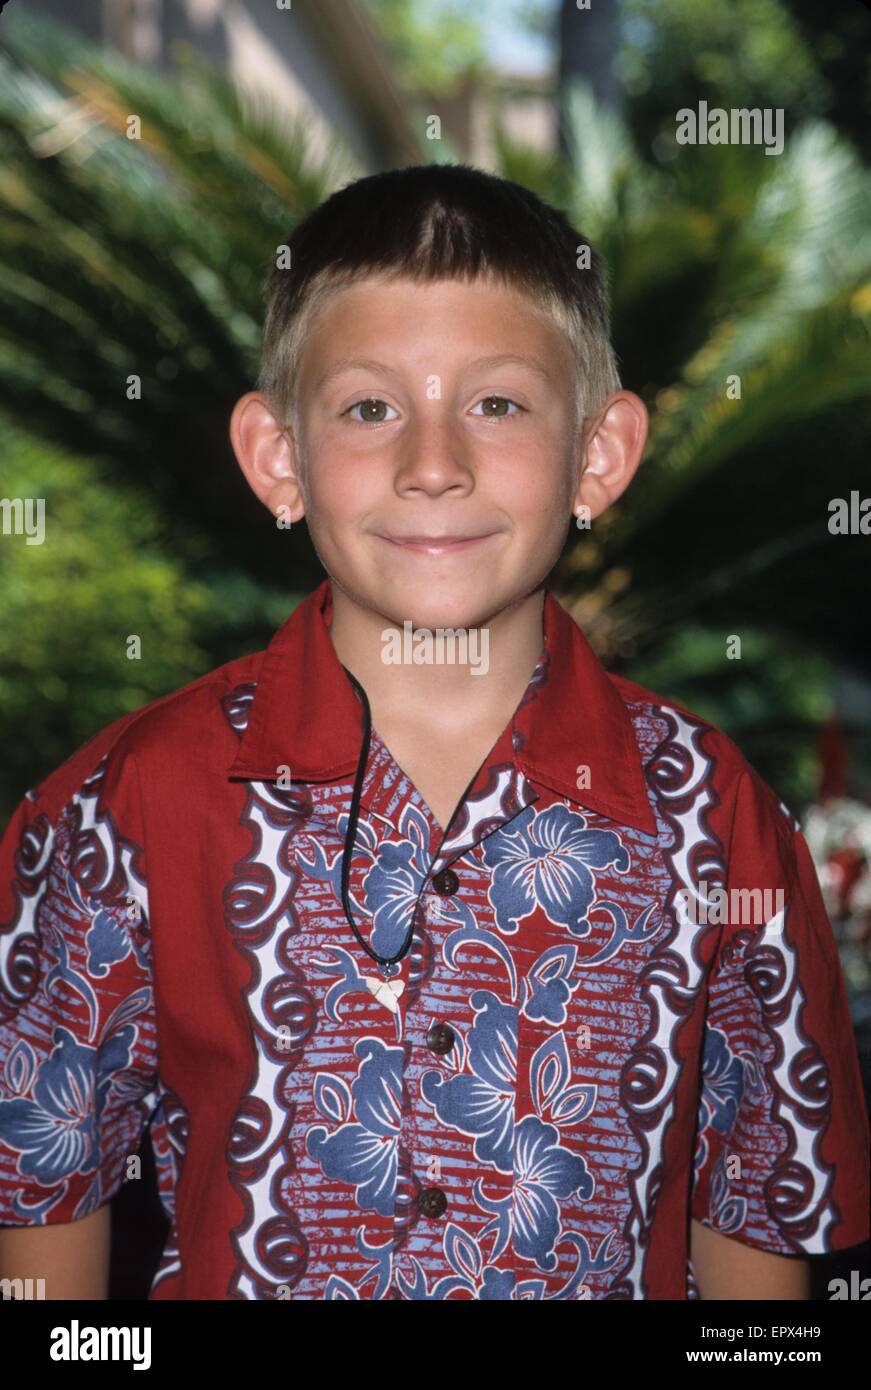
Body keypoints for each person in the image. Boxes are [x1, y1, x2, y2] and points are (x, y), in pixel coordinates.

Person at [0, 164, 867, 1301]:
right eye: (370, 407)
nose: (432, 464)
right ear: (278, 458)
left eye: (496, 403)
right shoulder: (125, 806)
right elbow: (39, 1207)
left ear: (598, 453)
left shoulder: (716, 819)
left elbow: (762, 1204)